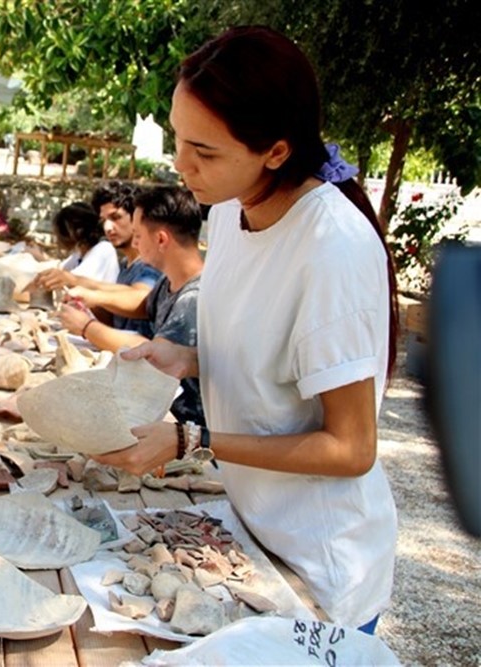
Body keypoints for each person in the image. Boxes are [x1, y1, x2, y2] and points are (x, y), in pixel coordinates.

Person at [95, 25, 399, 633]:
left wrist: (190, 441)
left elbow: (351, 448)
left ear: (277, 152)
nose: (181, 166)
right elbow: (272, 356)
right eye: (180, 140)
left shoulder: (331, 248)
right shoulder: (231, 214)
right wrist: (185, 358)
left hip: (320, 566)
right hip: (253, 532)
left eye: (204, 152)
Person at [60, 185, 205, 425]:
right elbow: (140, 303)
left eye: (138, 235)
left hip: (185, 427)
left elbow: (152, 352)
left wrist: (86, 327)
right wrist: (91, 299)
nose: (135, 244)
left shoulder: (194, 296)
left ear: (160, 239)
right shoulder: (168, 283)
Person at [31, 182, 161, 334]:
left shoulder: (151, 262)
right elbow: (114, 322)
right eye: (103, 220)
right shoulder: (126, 265)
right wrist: (87, 303)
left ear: (137, 218)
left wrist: (76, 282)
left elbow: (142, 300)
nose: (108, 227)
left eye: (116, 217)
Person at [45, 201, 120, 284]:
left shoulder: (104, 249)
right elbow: (60, 269)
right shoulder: (80, 253)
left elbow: (71, 279)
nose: (57, 239)